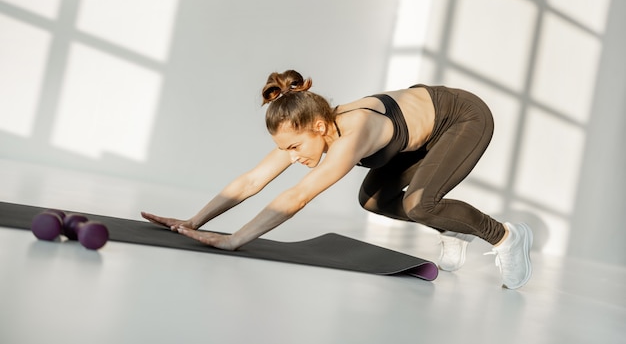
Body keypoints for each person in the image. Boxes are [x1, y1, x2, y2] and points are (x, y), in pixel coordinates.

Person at [142, 70, 533, 289]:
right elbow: (251, 180)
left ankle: (507, 236)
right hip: (417, 134)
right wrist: (193, 221)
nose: (293, 158)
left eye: (295, 148)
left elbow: (299, 196)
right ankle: (451, 225)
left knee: (419, 203)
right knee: (373, 201)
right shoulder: (311, 129)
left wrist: (235, 240)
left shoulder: (354, 131)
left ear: (318, 126)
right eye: (287, 150)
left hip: (461, 117)